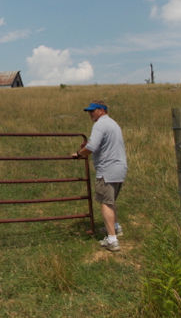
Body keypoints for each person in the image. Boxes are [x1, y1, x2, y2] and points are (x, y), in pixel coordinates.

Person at [71, 100, 127, 252]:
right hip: (119, 167)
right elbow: (102, 144)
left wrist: (78, 154)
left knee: (105, 203)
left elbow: (92, 146)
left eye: (92, 110)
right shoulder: (113, 124)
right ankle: (116, 227)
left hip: (107, 169)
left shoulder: (100, 124)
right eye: (89, 111)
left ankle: (112, 240)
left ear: (101, 111)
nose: (90, 113)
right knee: (111, 200)